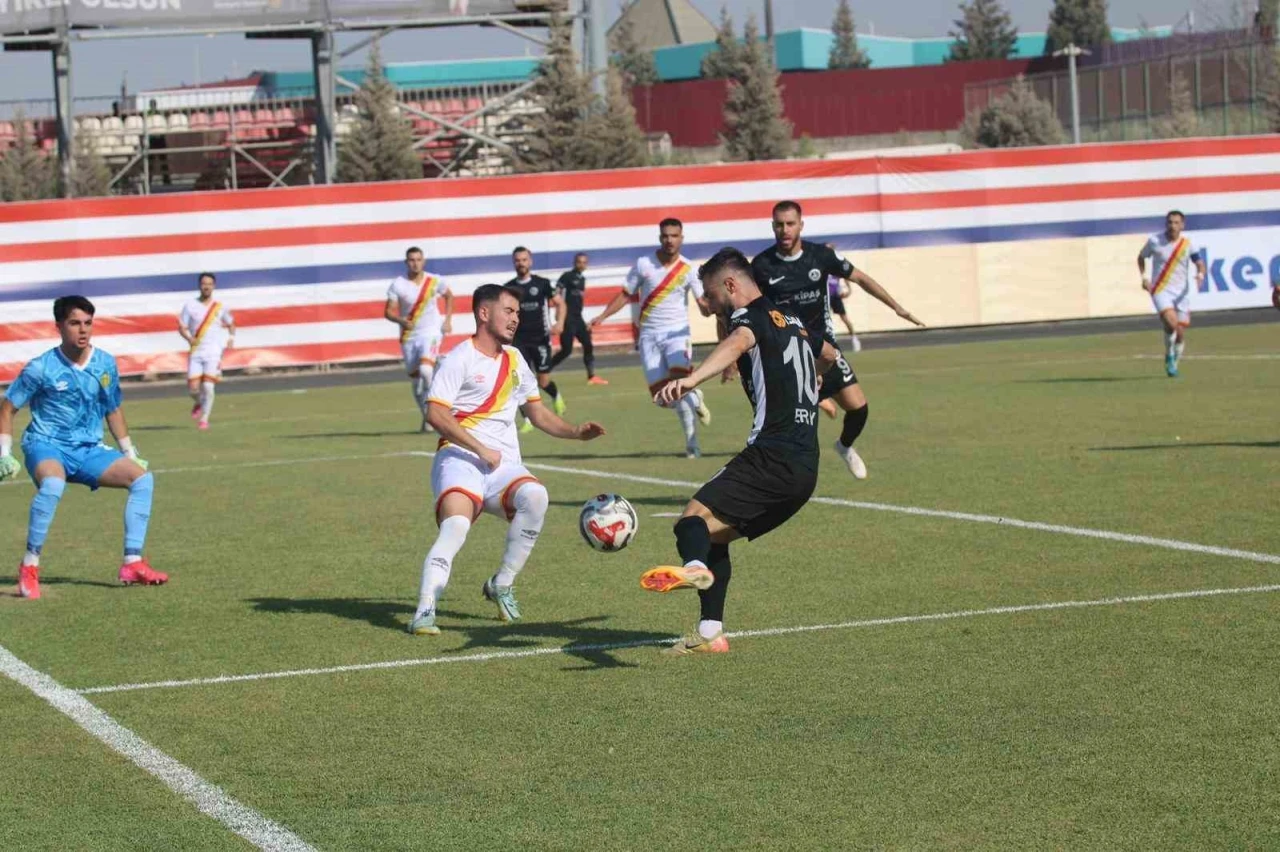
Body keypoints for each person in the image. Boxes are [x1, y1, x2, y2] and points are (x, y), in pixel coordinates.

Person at [639, 248, 819, 656]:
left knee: (691, 521)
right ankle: (710, 633)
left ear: (731, 285)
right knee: (713, 536)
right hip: (806, 470)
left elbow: (739, 340)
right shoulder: (793, 321)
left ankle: (694, 568)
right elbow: (827, 354)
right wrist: (817, 387)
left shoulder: (747, 317)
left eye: (710, 294)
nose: (707, 303)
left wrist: (692, 379)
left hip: (771, 456)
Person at [409, 284, 606, 636]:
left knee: (536, 496)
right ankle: (424, 611)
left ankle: (501, 583)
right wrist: (480, 449)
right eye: (509, 311)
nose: (516, 318)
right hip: (460, 461)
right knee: (455, 529)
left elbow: (537, 413)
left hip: (503, 468)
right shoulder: (459, 358)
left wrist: (576, 432)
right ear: (484, 313)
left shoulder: (515, 359)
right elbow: (435, 413)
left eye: (517, 312)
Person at [0, 296, 167, 600]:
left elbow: (113, 409)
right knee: (53, 484)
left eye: (88, 323)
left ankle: (132, 563)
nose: (83, 330)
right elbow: (8, 407)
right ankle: (29, 567)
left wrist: (130, 453)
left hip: (89, 449)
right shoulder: (41, 367)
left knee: (143, 480)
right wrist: (4, 453)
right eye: (75, 323)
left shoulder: (105, 363)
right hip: (46, 445)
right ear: (59, 326)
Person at [752, 201, 923, 479]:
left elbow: (861, 278)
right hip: (788, 352)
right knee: (792, 426)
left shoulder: (821, 256)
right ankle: (773, 476)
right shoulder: (762, 265)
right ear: (773, 226)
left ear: (801, 225)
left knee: (859, 409)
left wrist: (897, 307)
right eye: (779, 224)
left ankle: (844, 446)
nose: (784, 230)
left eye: (790, 224)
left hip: (826, 348)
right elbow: (750, 308)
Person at [592, 218, 712, 458]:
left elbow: (703, 305)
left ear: (681, 238)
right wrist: (603, 316)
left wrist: (715, 308)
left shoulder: (688, 269)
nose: (670, 240)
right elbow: (625, 294)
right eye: (665, 235)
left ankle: (692, 446)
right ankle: (695, 397)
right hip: (649, 336)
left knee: (678, 387)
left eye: (674, 235)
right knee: (662, 398)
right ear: (660, 238)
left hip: (677, 335)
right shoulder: (643, 264)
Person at [385, 246, 454, 431]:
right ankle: (427, 416)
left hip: (431, 332)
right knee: (416, 383)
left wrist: (447, 320)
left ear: (423, 261)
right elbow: (388, 312)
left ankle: (437, 408)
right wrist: (401, 320)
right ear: (406, 262)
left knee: (425, 370)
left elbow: (449, 296)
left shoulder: (434, 280)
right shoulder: (398, 284)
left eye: (418, 260)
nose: (415, 263)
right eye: (411, 260)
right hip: (409, 337)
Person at [504, 246, 565, 433]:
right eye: (517, 260)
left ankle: (556, 395)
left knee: (543, 381)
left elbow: (561, 303)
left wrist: (560, 323)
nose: (521, 263)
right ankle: (528, 420)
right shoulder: (508, 287)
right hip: (518, 341)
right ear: (513, 263)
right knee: (518, 381)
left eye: (524, 260)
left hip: (540, 339)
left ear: (530, 262)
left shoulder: (542, 283)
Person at [1138, 210, 1206, 377]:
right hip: (1160, 290)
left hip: (1181, 293)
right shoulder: (1155, 241)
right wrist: (1144, 277)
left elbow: (1199, 263)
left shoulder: (1187, 244)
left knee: (1180, 334)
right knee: (1171, 323)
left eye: (1176, 223)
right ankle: (1169, 354)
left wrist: (1200, 275)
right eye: (1170, 222)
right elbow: (1141, 257)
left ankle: (1174, 361)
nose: (1172, 226)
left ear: (1182, 225)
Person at [177, 272, 235, 431]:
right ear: (199, 285)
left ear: (214, 286)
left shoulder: (220, 307)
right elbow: (181, 327)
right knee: (193, 389)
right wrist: (189, 339)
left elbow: (231, 323)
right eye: (204, 284)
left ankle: (204, 419)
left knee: (209, 387)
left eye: (209, 284)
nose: (206, 287)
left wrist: (231, 338)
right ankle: (199, 402)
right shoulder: (190, 306)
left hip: (214, 352)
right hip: (196, 351)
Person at [550, 252, 607, 385]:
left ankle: (591, 376)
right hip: (567, 318)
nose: (581, 265)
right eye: (579, 262)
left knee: (588, 344)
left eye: (584, 262)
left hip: (578, 318)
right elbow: (557, 293)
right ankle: (545, 370)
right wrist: (558, 313)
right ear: (575, 263)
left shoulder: (582, 279)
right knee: (566, 350)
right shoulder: (567, 276)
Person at [825, 243, 860, 352]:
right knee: (825, 320)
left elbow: (846, 276)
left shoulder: (836, 264)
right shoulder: (820, 263)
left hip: (835, 295)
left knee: (844, 318)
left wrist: (848, 290)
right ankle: (829, 343)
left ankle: (854, 339)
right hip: (824, 296)